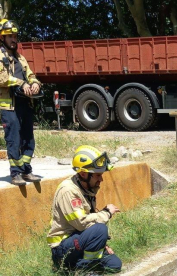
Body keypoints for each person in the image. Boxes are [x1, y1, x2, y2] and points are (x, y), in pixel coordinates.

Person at [47, 145, 122, 274]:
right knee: (100, 229)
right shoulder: (69, 191)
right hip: (63, 248)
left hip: (78, 242)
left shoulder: (87, 188)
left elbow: (88, 224)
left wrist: (102, 244)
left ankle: (76, 266)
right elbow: (82, 224)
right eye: (98, 175)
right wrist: (106, 213)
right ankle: (83, 270)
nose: (101, 179)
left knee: (115, 265)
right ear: (83, 173)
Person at [0, 19, 42, 185]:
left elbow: (30, 74)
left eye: (15, 35)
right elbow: (2, 78)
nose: (13, 39)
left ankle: (26, 170)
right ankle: (15, 172)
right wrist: (21, 83)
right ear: (2, 38)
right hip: (9, 106)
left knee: (28, 139)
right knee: (14, 139)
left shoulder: (20, 58)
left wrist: (35, 84)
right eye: (9, 36)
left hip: (25, 103)